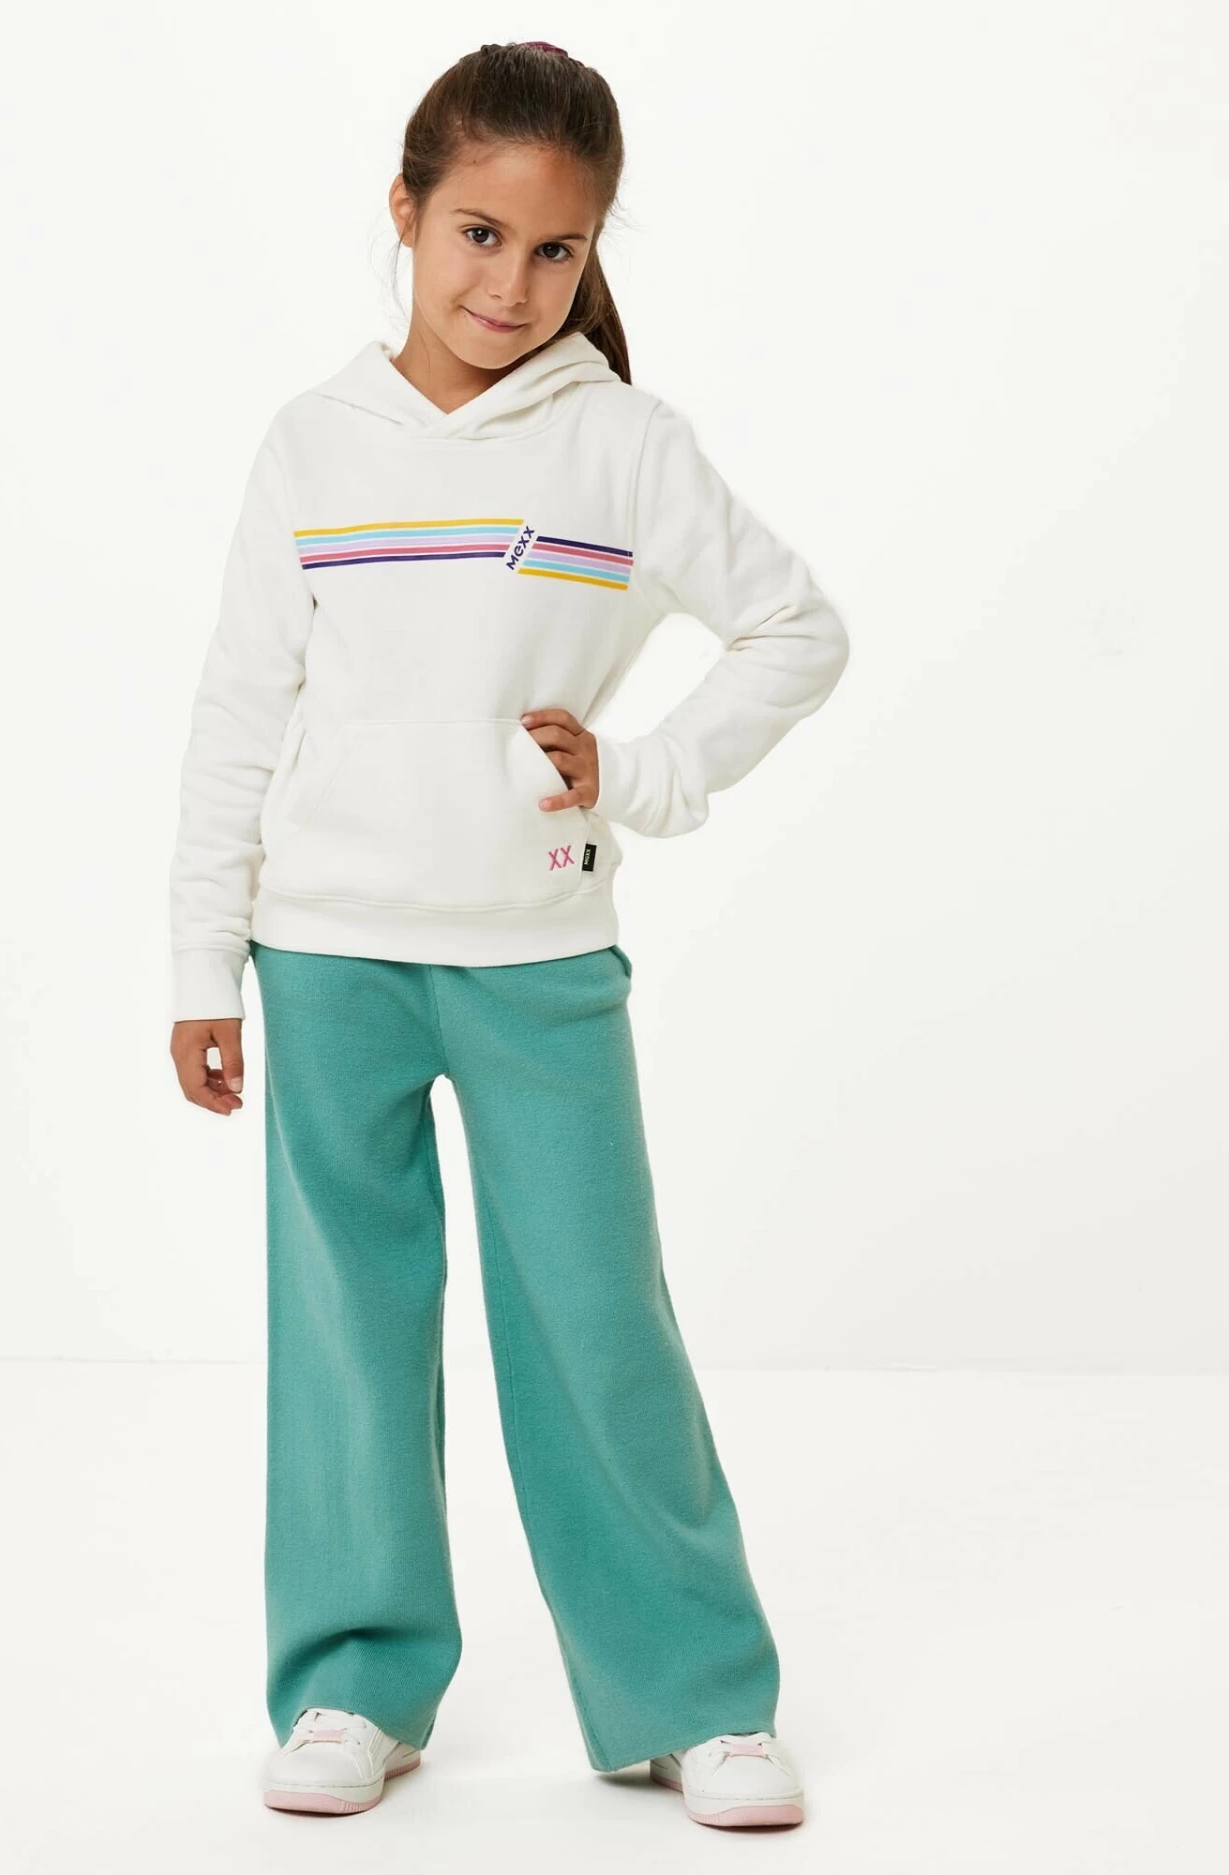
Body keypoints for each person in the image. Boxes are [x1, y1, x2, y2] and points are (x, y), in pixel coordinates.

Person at [167, 39, 849, 1831]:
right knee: (347, 1330)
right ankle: (352, 1681)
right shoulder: (314, 442)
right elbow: (237, 710)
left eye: (558, 249)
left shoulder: (623, 444)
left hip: (540, 962)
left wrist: (646, 772)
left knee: (595, 1321)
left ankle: (693, 1696)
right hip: (327, 955)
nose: (512, 282)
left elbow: (795, 628)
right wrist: (200, 959)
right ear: (404, 211)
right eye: (479, 233)